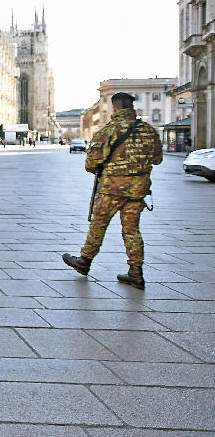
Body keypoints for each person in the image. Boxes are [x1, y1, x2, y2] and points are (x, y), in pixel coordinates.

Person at [62, 92, 163, 289]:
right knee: (132, 230)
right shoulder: (148, 131)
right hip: (137, 191)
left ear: (114, 108)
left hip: (111, 190)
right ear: (132, 107)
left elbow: (91, 164)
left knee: (98, 225)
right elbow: (157, 159)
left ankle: (84, 261)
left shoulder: (108, 131)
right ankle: (136, 272)